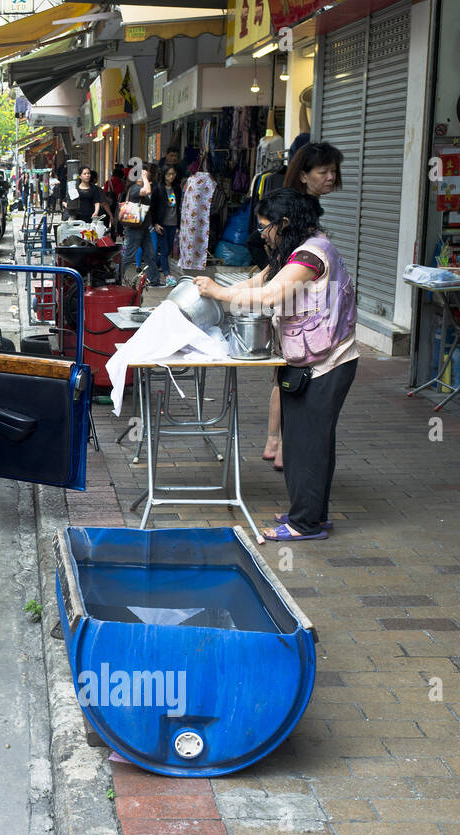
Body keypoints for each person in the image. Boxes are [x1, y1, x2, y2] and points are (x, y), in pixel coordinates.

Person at [195, 188, 358, 541]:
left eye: (265, 227)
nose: (262, 234)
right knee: (306, 441)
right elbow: (258, 282)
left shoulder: (311, 256)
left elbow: (270, 295)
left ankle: (304, 524)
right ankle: (311, 513)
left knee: (307, 443)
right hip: (311, 359)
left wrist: (217, 293)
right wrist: (215, 285)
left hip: (328, 363)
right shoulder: (298, 246)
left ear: (284, 224)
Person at [263, 140, 345, 469]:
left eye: (333, 172)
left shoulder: (307, 205)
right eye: (323, 171)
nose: (330, 178)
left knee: (288, 372)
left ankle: (277, 442)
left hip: (298, 294)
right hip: (297, 299)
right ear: (303, 176)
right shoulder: (296, 209)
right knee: (289, 373)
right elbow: (286, 260)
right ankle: (279, 442)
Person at [120, 163, 162, 286]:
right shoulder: (135, 189)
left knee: (150, 254)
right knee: (128, 255)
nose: (149, 174)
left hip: (143, 228)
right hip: (134, 229)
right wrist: (144, 177)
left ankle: (154, 280)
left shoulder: (137, 187)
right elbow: (147, 190)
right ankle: (117, 277)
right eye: (146, 172)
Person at [154, 163, 182, 287]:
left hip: (173, 223)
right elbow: (152, 208)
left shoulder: (176, 188)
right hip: (162, 224)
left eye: (173, 174)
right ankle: (167, 275)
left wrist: (179, 224)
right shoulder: (158, 188)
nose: (171, 176)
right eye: (169, 174)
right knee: (164, 250)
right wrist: (155, 223)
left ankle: (152, 266)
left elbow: (179, 206)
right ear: (164, 175)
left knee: (168, 249)